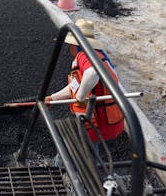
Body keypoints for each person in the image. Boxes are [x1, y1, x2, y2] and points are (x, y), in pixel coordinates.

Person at [46, 19, 124, 157]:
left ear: (75, 45)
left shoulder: (85, 56)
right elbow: (75, 85)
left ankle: (60, 171)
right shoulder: (98, 55)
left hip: (97, 122)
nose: (69, 48)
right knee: (88, 150)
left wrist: (80, 97)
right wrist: (53, 98)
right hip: (109, 120)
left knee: (70, 149)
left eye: (70, 44)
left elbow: (92, 73)